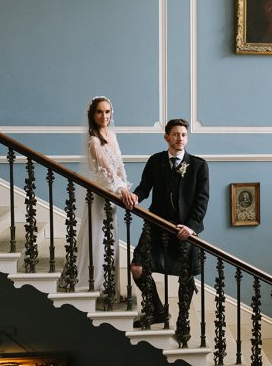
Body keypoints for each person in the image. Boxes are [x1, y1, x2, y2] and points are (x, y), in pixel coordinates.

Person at [130, 119, 210, 329]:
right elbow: (144, 187)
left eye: (183, 134)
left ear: (187, 137)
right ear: (166, 137)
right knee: (137, 267)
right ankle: (157, 311)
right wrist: (135, 197)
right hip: (156, 226)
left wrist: (191, 227)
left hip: (184, 230)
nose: (180, 139)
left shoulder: (199, 165)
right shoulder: (155, 161)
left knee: (186, 277)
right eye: (175, 134)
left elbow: (202, 200)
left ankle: (183, 321)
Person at [69, 96, 137, 299]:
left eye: (107, 112)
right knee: (99, 239)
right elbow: (106, 171)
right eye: (100, 112)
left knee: (111, 240)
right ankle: (96, 283)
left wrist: (126, 187)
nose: (104, 116)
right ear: (93, 115)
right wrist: (121, 190)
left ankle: (111, 286)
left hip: (114, 194)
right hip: (101, 195)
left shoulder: (112, 136)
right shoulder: (94, 140)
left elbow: (120, 166)